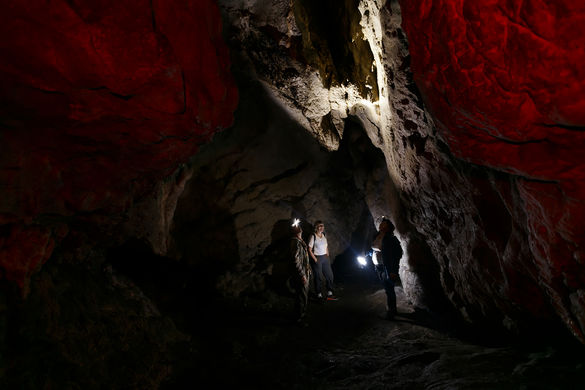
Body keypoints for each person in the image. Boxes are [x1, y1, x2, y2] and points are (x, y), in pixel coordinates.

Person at [371, 218, 403, 319]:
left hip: (387, 267)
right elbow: (375, 248)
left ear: (389, 227)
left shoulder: (391, 239)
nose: (381, 225)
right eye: (381, 224)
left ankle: (392, 312)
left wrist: (393, 270)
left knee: (389, 289)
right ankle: (392, 310)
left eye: (384, 224)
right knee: (387, 289)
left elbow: (397, 254)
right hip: (379, 266)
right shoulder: (377, 236)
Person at [308, 220, 335, 300]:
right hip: (317, 258)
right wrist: (315, 259)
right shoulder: (313, 236)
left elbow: (326, 245)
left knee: (330, 275)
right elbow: (309, 249)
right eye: (319, 226)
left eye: (322, 226)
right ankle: (319, 294)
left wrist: (327, 253)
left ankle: (329, 293)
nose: (321, 227)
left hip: (325, 258)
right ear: (316, 227)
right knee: (318, 276)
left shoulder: (323, 235)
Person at [290, 219, 311, 324]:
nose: (300, 228)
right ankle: (299, 318)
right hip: (300, 275)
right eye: (297, 227)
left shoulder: (299, 241)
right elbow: (295, 260)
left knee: (303, 295)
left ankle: (301, 314)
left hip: (304, 273)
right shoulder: (295, 242)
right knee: (301, 296)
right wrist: (302, 274)